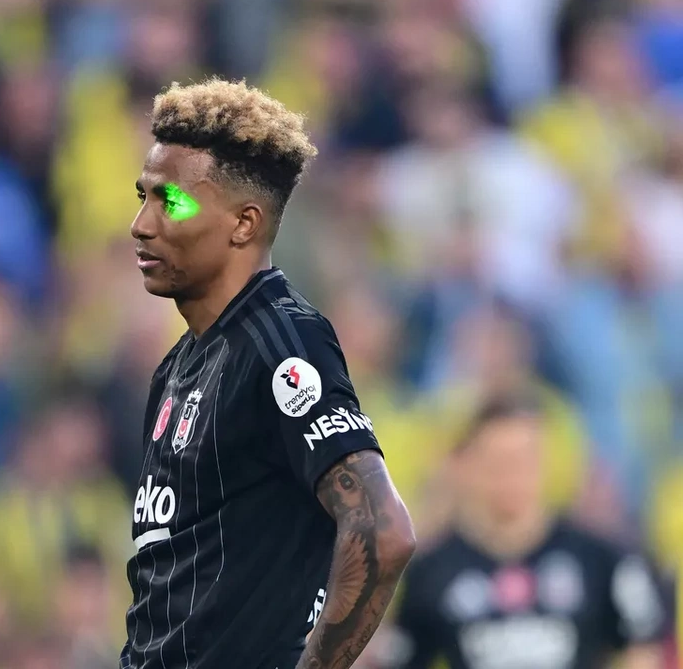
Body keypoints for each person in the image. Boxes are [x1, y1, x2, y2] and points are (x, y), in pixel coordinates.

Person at [122, 78, 416, 669]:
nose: (141, 223)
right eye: (143, 196)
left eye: (170, 202)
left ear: (244, 224)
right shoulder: (178, 367)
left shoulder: (283, 343)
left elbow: (382, 530)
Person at [381, 397, 667, 669]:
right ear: (469, 467)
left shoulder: (601, 559)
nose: (513, 475)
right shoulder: (432, 572)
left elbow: (644, 647)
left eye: (524, 458)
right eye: (499, 462)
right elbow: (401, 658)